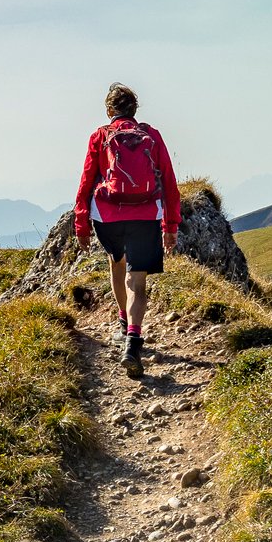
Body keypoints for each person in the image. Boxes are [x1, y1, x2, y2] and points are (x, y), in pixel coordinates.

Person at [72, 83, 180, 375]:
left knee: (116, 264)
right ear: (135, 110)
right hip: (146, 214)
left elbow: (86, 181)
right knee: (138, 281)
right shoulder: (152, 136)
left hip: (107, 215)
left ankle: (122, 321)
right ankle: (133, 339)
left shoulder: (100, 136)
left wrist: (81, 223)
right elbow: (169, 182)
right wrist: (170, 226)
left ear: (109, 111)